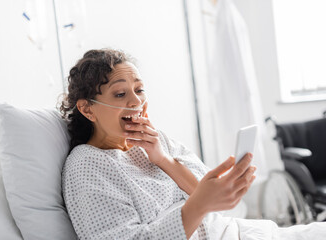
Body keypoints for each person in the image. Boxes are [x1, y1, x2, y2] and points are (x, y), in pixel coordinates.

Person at [59, 49, 325, 240]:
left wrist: (164, 160)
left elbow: (210, 197)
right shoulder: (87, 165)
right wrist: (197, 206)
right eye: (120, 94)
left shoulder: (156, 140)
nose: (136, 102)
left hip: (234, 231)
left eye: (139, 90)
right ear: (87, 109)